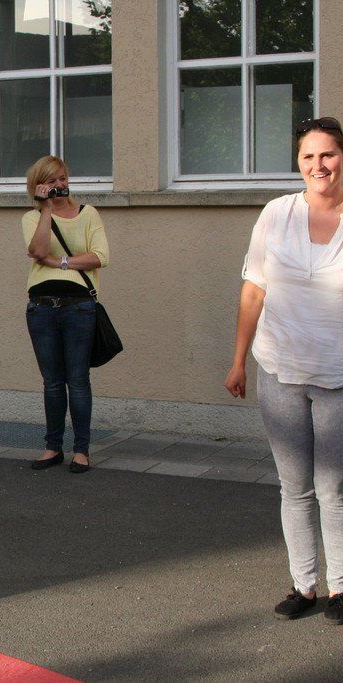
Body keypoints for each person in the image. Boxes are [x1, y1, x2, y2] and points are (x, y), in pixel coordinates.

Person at [225, 116, 343, 624]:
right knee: (294, 488)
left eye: (328, 154)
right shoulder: (277, 214)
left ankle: (341, 588)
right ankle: (304, 585)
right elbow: (254, 290)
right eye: (308, 156)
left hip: (337, 376)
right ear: (298, 163)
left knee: (334, 489)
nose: (319, 165)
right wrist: (238, 360)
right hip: (279, 371)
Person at [22, 155, 109, 474]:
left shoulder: (88, 214)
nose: (60, 184)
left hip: (79, 306)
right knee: (52, 382)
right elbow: (38, 251)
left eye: (62, 178)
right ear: (38, 186)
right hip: (41, 307)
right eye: (51, 180)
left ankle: (81, 450)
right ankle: (53, 447)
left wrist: (60, 263)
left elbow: (100, 256)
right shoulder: (32, 217)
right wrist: (46, 209)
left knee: (78, 379)